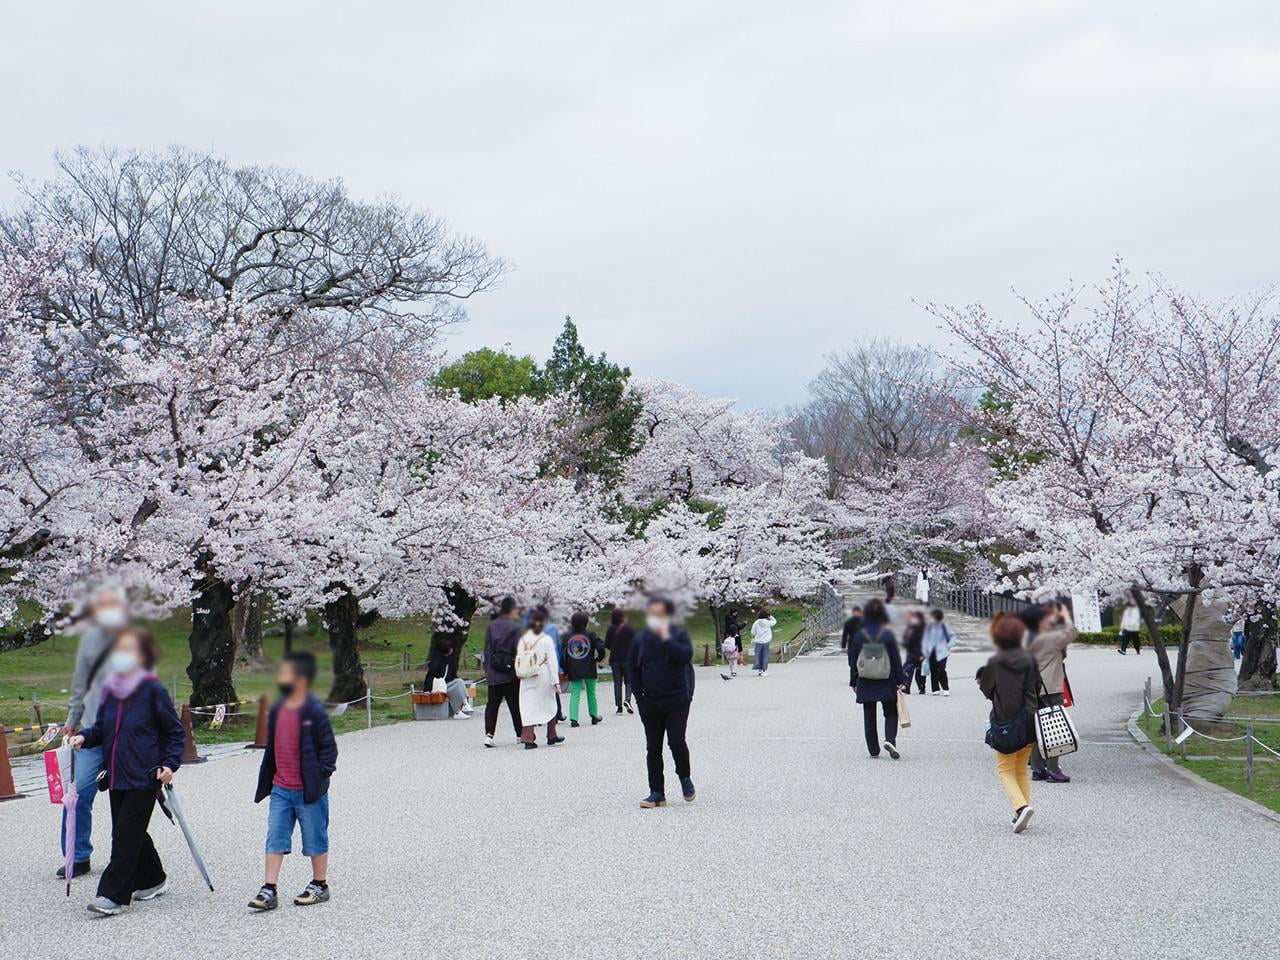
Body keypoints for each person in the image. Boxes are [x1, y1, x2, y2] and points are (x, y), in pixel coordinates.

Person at [67, 628, 183, 917]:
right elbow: (103, 728)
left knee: (124, 837)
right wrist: (85, 737)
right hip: (116, 775)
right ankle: (153, 879)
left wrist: (169, 765)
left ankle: (112, 895)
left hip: (145, 776)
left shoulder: (153, 690)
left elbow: (175, 733)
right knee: (129, 832)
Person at [248, 651, 339, 911]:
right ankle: (269, 889)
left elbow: (329, 751)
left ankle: (320, 884)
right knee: (275, 836)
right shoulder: (277, 708)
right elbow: (273, 748)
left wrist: (319, 776)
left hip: (309, 790)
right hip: (281, 788)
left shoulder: (314, 711)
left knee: (315, 838)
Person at [59, 586, 130, 880]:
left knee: (129, 799)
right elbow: (80, 686)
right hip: (90, 732)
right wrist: (71, 720)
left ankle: (129, 857)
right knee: (78, 793)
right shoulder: (90, 642)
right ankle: (77, 855)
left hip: (124, 734)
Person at [629, 596, 696, 807]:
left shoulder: (679, 635)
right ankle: (657, 792)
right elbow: (633, 669)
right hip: (650, 702)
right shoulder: (640, 639)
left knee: (676, 741)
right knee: (653, 747)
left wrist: (666, 638)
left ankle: (684, 777)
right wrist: (639, 698)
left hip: (677, 700)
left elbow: (685, 656)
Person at [977, 613, 1041, 833]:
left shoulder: (996, 662)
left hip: (1006, 723)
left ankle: (1021, 806)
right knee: (1021, 769)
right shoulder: (1030, 659)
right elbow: (1038, 687)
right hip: (1030, 721)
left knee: (1005, 769)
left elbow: (987, 690)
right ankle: (1020, 813)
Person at [1021, 602, 1076, 783]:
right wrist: (1066, 616)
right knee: (1055, 730)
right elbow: (1072, 632)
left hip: (1032, 689)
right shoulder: (1050, 637)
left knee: (1040, 730)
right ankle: (1053, 769)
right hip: (1050, 689)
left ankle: (1037, 769)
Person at [846, 599, 905, 759]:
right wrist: (900, 679)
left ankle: (873, 749)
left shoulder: (858, 635)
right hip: (886, 678)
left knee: (869, 713)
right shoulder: (887, 634)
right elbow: (895, 659)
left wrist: (853, 681)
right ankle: (890, 739)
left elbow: (853, 660)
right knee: (890, 712)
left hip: (865, 678)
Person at [515, 611, 561, 748]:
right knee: (549, 703)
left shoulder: (522, 640)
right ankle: (551, 734)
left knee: (528, 705)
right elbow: (552, 662)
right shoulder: (545, 640)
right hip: (542, 673)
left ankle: (528, 737)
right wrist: (556, 681)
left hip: (526, 675)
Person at [482, 596, 524, 747]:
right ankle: (520, 734)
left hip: (493, 672)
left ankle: (489, 734)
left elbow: (487, 649)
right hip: (509, 672)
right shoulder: (515, 627)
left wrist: (487, 669)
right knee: (515, 704)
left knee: (492, 704)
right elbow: (519, 649)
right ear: (512, 610)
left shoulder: (492, 626)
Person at [561, 611, 606, 727]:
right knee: (591, 693)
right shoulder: (591, 635)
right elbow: (601, 647)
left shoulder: (567, 636)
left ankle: (574, 719)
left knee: (575, 693)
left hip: (574, 668)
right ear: (586, 624)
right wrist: (598, 658)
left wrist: (565, 668)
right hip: (589, 667)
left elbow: (563, 654)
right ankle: (594, 716)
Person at [605, 609, 635, 714]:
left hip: (615, 659)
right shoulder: (630, 629)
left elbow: (607, 645)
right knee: (629, 682)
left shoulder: (610, 629)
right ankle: (627, 700)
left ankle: (619, 708)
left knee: (617, 683)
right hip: (628, 659)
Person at [922, 609, 956, 696]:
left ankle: (945, 688)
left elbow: (952, 636)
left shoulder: (944, 626)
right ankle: (935, 689)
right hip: (931, 651)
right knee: (933, 670)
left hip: (943, 651)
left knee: (941, 669)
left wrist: (949, 644)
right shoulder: (929, 627)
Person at [900, 610, 927, 695]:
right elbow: (905, 639)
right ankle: (907, 686)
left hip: (920, 652)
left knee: (920, 672)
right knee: (908, 669)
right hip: (911, 651)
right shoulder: (910, 627)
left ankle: (921, 687)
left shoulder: (924, 628)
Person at [750, 608, 777, 676]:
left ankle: (759, 670)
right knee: (765, 656)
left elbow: (752, 632)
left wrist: (757, 633)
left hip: (758, 642)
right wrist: (770, 616)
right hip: (766, 642)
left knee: (758, 656)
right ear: (766, 616)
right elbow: (774, 621)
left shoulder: (756, 623)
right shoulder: (768, 622)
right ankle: (764, 670)